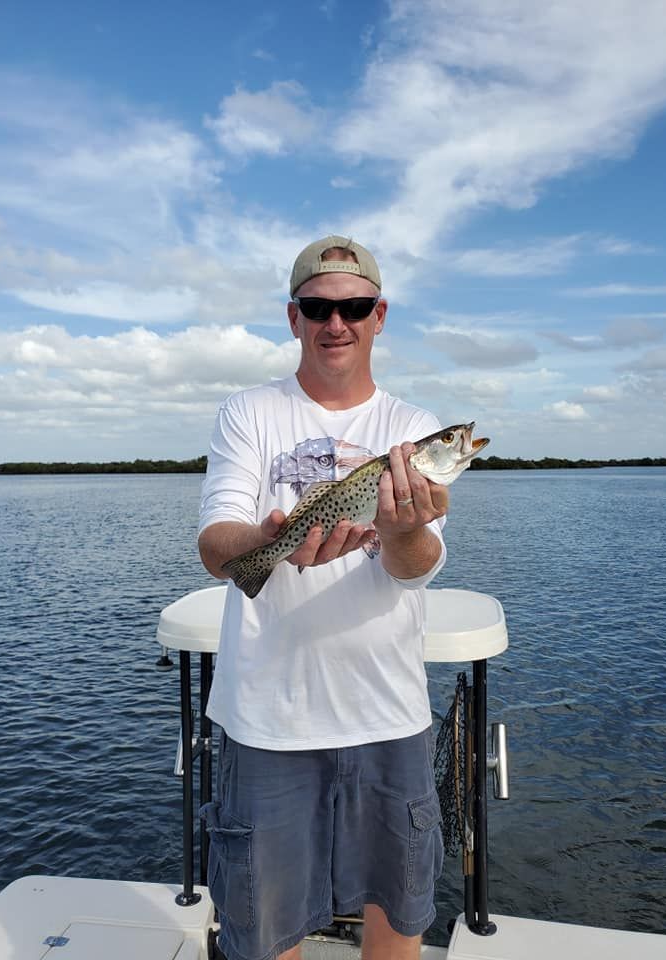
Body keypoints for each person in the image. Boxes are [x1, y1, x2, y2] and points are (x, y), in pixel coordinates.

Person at [198, 235, 448, 960]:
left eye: (355, 307)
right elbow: (215, 544)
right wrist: (267, 542)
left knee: (398, 910)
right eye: (317, 308)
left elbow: (416, 569)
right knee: (262, 929)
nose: (336, 322)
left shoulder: (410, 431)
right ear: (294, 317)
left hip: (387, 712)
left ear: (379, 316)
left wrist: (404, 530)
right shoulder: (248, 412)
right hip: (267, 718)